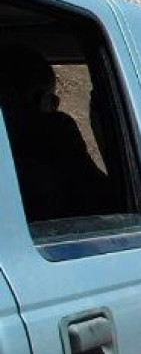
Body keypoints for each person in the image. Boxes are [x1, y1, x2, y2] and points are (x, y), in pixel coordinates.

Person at [0, 45, 110, 223]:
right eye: (52, 99)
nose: (56, 107)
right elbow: (104, 199)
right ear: (36, 99)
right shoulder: (46, 168)